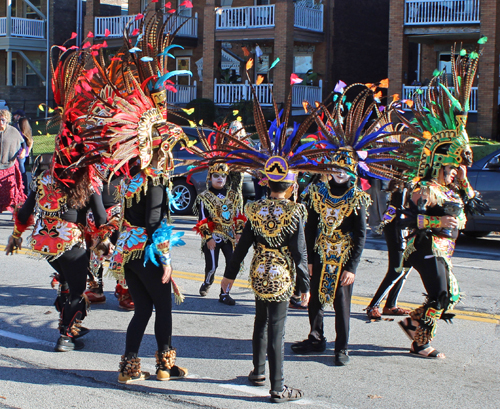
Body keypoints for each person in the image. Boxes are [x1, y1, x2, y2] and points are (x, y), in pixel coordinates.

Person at [293, 82, 410, 365]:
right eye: (335, 168)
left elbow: (361, 234)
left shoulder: (358, 198)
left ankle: (341, 348)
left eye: (345, 169)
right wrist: (308, 259)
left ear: (352, 170)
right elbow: (310, 228)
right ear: (329, 169)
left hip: (343, 256)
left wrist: (351, 267)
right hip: (320, 253)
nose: (339, 173)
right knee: (317, 302)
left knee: (341, 304)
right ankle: (316, 338)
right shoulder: (316, 193)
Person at [394, 45, 484, 358]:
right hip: (424, 248)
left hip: (445, 250)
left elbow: (469, 206)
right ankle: (420, 342)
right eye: (451, 168)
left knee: (451, 295)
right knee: (441, 294)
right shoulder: (425, 187)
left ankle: (412, 323)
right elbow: (414, 220)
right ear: (439, 164)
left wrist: (464, 181)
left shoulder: (455, 188)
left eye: (457, 168)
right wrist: (439, 221)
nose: (455, 173)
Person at [222, 176, 310, 403]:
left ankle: (258, 371)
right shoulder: (295, 211)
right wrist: (305, 286)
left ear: (268, 185)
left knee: (260, 321)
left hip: (260, 271)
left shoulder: (255, 208)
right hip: (280, 274)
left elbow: (242, 246)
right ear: (291, 188)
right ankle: (278, 387)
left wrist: (229, 275)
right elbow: (300, 253)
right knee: (277, 329)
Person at [193, 163, 245, 305]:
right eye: (216, 176)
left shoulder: (234, 196)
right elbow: (202, 220)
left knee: (232, 265)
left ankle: (224, 293)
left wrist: (239, 233)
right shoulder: (204, 197)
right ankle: (207, 282)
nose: (220, 178)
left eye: (223, 176)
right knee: (212, 266)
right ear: (210, 177)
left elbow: (239, 216)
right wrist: (208, 238)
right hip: (213, 235)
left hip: (229, 236)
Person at [365, 181, 412, 319]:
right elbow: (395, 206)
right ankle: (373, 305)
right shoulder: (406, 182)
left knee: (405, 268)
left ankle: (391, 305)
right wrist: (385, 222)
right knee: (397, 269)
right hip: (399, 228)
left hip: (408, 227)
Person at [0, 109, 26, 212]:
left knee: (12, 192)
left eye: (2, 120)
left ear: (7, 120)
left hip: (9, 166)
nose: (0, 122)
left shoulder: (13, 131)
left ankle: (16, 213)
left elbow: (23, 142)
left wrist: (23, 151)